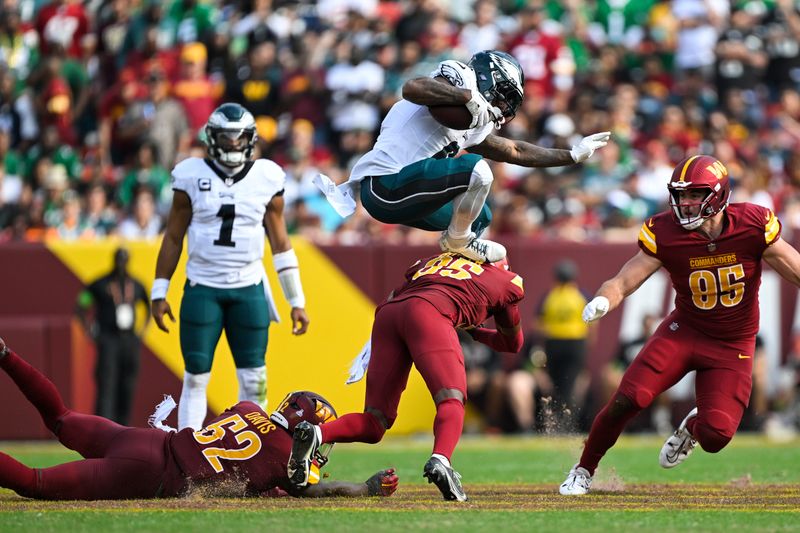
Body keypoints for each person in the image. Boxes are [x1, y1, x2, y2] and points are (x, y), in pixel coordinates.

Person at [559, 155, 800, 495]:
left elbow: (794, 266)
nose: (685, 203)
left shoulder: (752, 223)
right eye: (680, 195)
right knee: (628, 398)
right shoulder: (666, 231)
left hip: (733, 344)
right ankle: (583, 469)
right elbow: (625, 279)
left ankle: (692, 426)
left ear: (717, 196)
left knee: (716, 436)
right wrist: (604, 299)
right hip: (685, 332)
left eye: (694, 195)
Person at [0, 338, 398, 500]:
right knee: (35, 483)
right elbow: (310, 490)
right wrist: (364, 488)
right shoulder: (286, 459)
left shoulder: (248, 409)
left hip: (144, 441)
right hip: (151, 472)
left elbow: (246, 466)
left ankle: (5, 355)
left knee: (61, 417)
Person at [315, 49, 610, 263]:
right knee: (476, 171)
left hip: (406, 193)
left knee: (481, 216)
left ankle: (450, 272)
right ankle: (457, 242)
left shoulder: (478, 120)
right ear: (487, 76)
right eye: (503, 92)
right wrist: (466, 97)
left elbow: (514, 150)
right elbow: (412, 88)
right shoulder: (460, 77)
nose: (504, 105)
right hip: (384, 185)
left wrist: (570, 155)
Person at [287, 251, 526, 502]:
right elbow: (512, 344)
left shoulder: (435, 263)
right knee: (451, 399)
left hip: (388, 315)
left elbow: (394, 296)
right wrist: (475, 332)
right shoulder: (505, 280)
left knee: (375, 423)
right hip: (429, 313)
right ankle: (441, 460)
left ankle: (318, 433)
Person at [151, 103, 309, 430]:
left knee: (254, 378)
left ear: (251, 139)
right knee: (195, 377)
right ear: (212, 138)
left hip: (248, 287)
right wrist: (159, 290)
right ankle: (187, 459)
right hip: (203, 287)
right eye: (227, 137)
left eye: (240, 138)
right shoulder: (191, 174)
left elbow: (281, 243)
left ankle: (252, 455)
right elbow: (173, 237)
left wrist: (296, 301)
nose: (234, 144)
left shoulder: (267, 176)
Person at [75, 247, 150, 425]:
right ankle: (104, 426)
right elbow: (81, 305)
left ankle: (124, 427)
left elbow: (148, 308)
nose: (121, 265)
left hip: (130, 340)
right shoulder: (100, 284)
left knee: (127, 384)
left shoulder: (136, 285)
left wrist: (142, 332)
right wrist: (89, 330)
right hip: (108, 338)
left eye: (124, 261)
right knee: (107, 383)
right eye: (119, 260)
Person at [533, 260, 593, 429]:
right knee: (572, 382)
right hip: (576, 343)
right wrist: (587, 344)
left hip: (554, 343)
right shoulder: (582, 294)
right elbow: (593, 323)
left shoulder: (550, 296)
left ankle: (556, 419)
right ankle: (568, 421)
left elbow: (538, 324)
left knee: (555, 382)